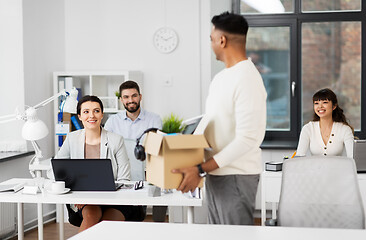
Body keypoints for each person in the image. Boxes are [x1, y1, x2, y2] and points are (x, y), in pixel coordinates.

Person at [172, 12, 267, 225]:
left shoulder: (247, 78)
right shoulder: (222, 78)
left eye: (211, 39)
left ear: (221, 40)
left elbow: (248, 139)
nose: (211, 43)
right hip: (215, 173)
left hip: (235, 177)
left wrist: (199, 169)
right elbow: (213, 123)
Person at [56, 95, 143, 232]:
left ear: (102, 114)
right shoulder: (72, 139)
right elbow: (56, 170)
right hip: (84, 199)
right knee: (91, 214)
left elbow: (124, 179)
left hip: (115, 200)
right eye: (86, 112)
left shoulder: (116, 140)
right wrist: (76, 194)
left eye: (96, 111)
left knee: (105, 224)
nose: (92, 115)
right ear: (79, 116)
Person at [104, 80, 166, 222]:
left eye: (134, 96)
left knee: (161, 188)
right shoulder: (113, 122)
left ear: (140, 96)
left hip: (147, 171)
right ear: (121, 100)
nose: (130, 100)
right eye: (126, 97)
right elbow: (106, 149)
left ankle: (159, 225)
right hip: (121, 173)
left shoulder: (154, 119)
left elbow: (157, 148)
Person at [296, 88, 354, 158]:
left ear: (334, 106)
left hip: (337, 169)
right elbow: (299, 157)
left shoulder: (345, 129)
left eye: (325, 102)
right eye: (316, 103)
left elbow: (352, 158)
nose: (320, 106)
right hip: (313, 169)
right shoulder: (308, 128)